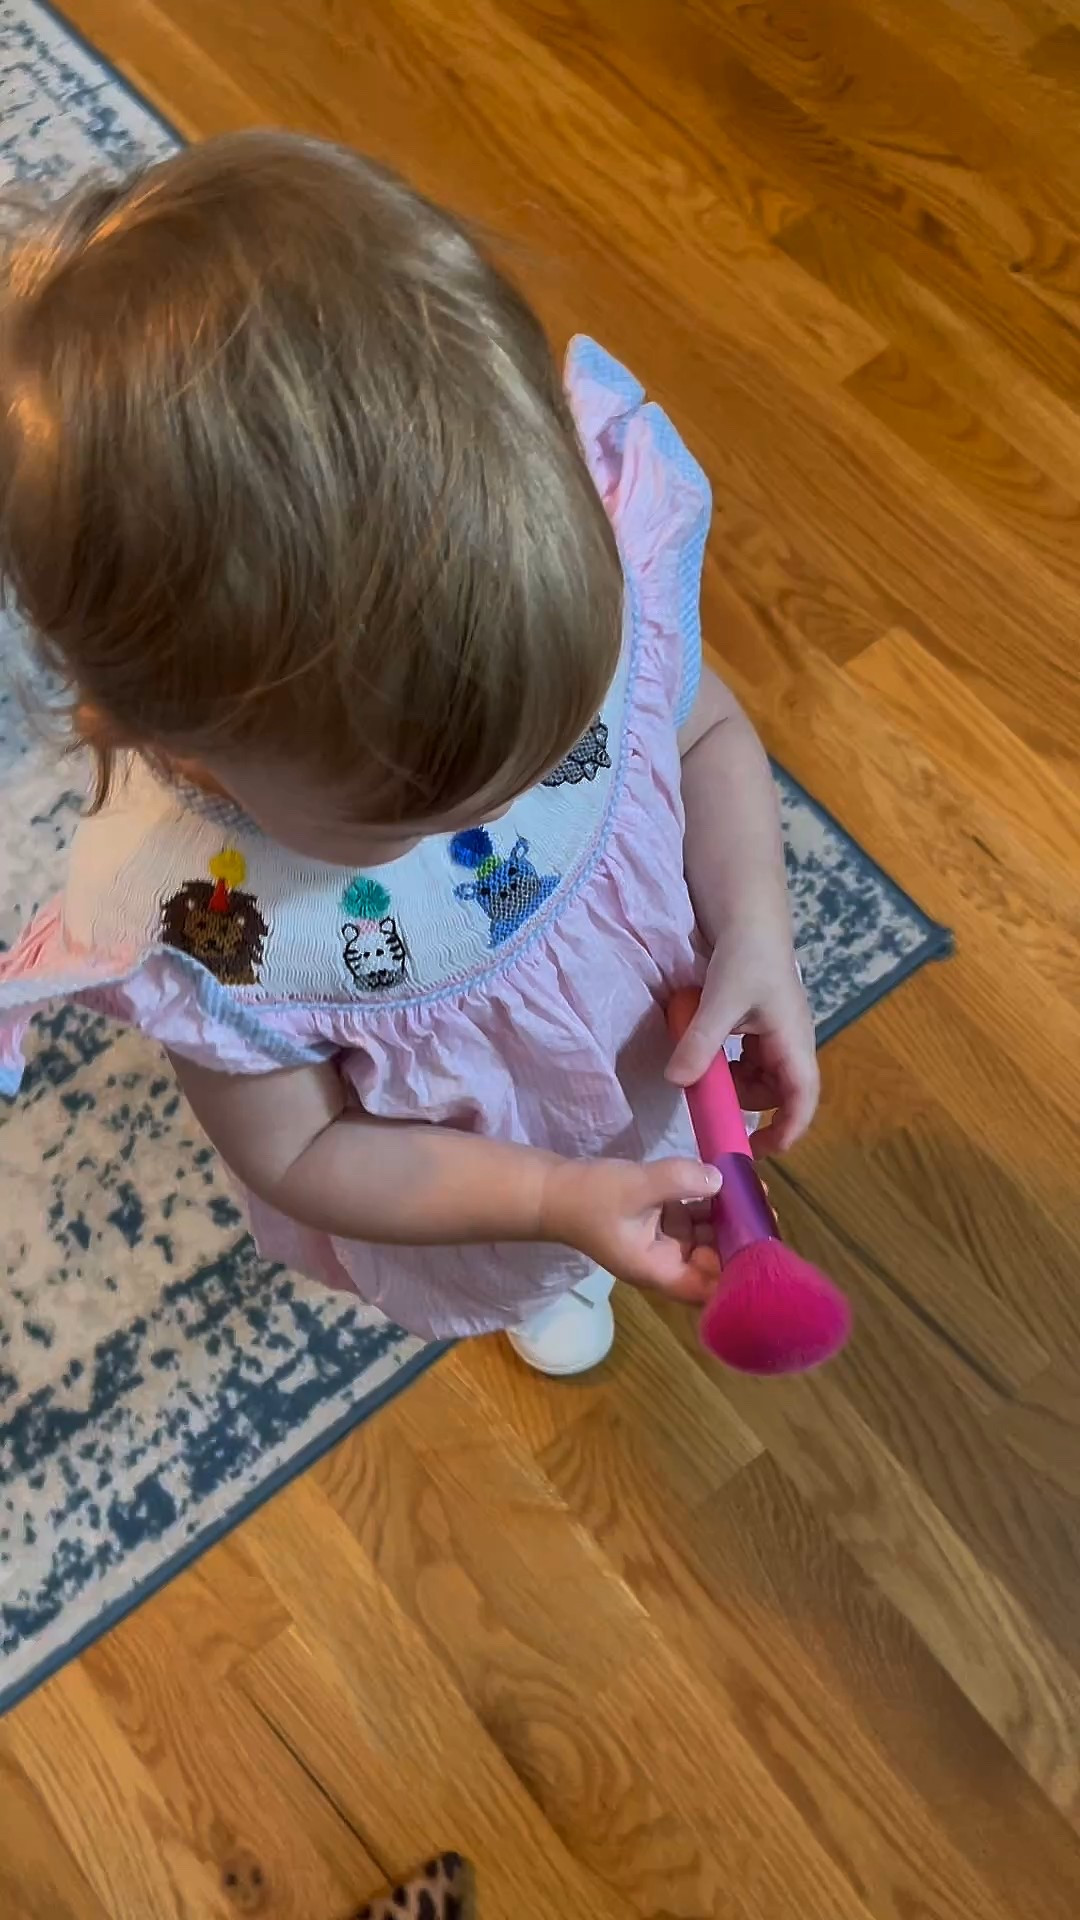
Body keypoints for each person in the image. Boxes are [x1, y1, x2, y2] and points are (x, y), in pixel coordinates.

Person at [0, 132, 818, 1374]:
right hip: (480, 1178)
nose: (499, 809)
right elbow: (305, 1150)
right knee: (544, 1261)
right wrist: (551, 1201)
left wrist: (757, 927)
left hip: (649, 1060)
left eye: (551, 747)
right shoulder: (202, 927)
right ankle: (551, 1280)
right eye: (411, 815)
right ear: (177, 743)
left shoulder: (575, 590)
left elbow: (702, 730)